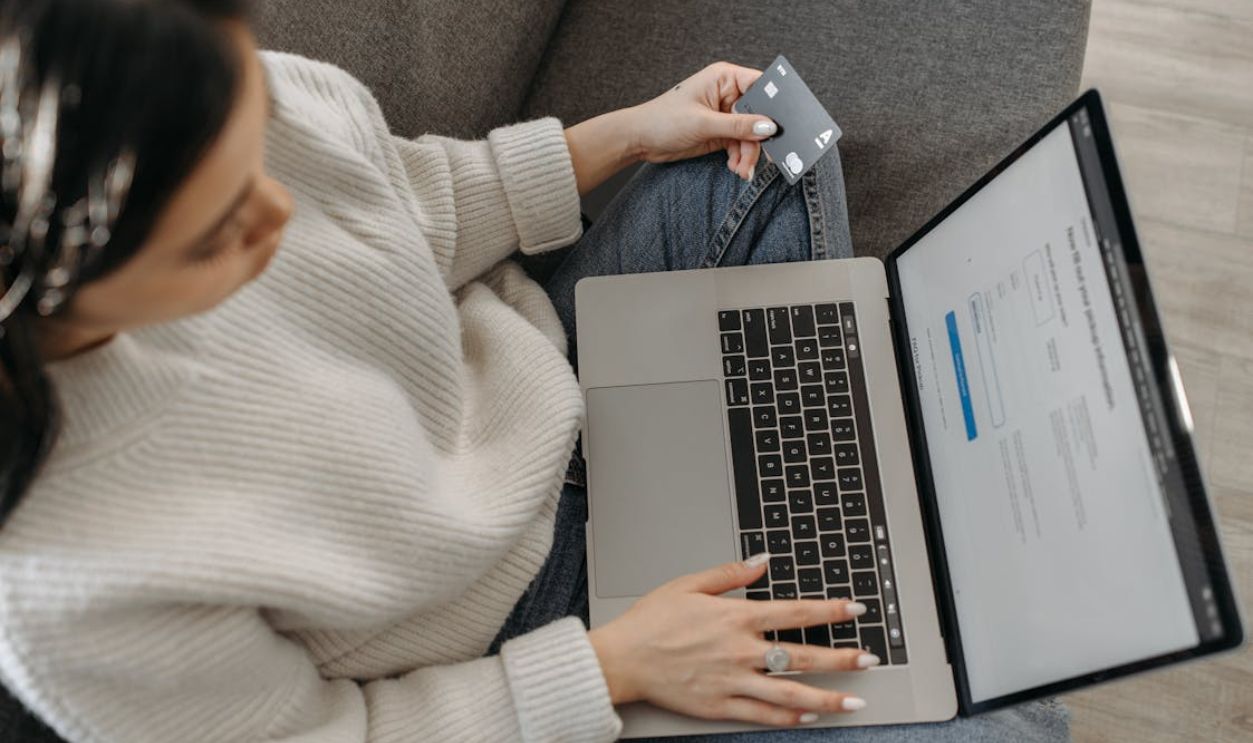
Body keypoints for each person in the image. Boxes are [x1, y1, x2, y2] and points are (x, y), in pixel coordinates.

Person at [0, 1, 1070, 741]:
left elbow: (413, 200)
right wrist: (615, 664)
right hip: (518, 629)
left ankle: (830, 545)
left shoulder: (194, 80)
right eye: (217, 234)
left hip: (549, 368)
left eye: (260, 141)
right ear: (46, 288)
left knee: (769, 136)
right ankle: (850, 564)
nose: (278, 212)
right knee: (1007, 713)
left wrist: (629, 134)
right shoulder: (68, 591)